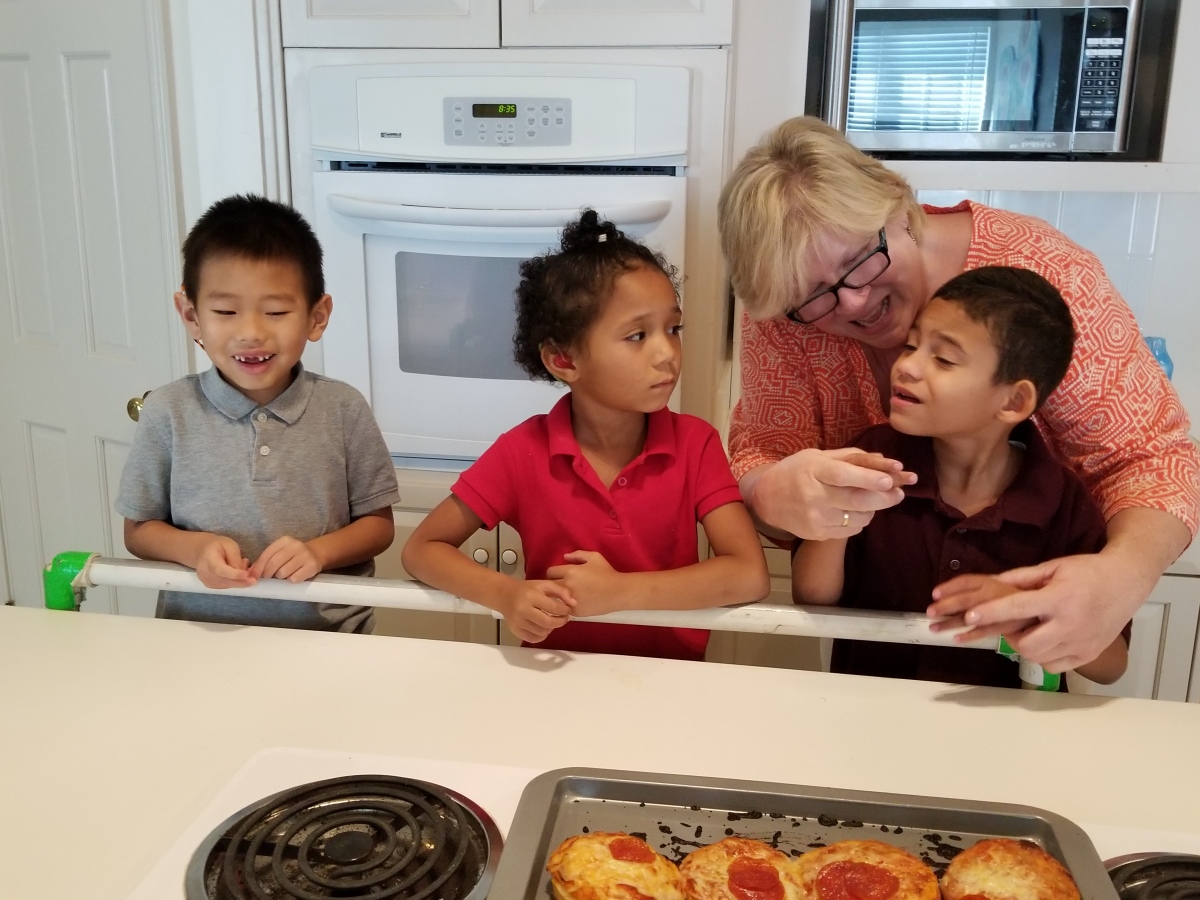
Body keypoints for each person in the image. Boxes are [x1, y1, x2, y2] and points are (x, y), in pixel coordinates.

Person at [718, 116, 1199, 675]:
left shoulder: (1043, 272)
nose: (849, 304)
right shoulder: (784, 312)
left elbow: (1152, 458)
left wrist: (1119, 576)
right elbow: (761, 455)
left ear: (901, 209)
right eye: (814, 296)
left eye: (859, 262)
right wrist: (767, 492)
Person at [402, 209, 769, 659]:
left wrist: (619, 592)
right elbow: (422, 549)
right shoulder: (521, 453)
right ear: (563, 361)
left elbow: (749, 574)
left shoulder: (697, 443)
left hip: (674, 684)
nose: (667, 353)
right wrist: (505, 594)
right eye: (637, 335)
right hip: (557, 678)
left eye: (673, 328)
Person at [791, 267, 1128, 688]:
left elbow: (1111, 665)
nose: (908, 366)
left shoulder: (1062, 502)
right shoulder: (870, 458)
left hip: (1007, 737)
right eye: (912, 345)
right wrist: (841, 513)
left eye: (944, 359)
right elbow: (812, 598)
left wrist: (1033, 613)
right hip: (870, 726)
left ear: (1013, 400)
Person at [116, 195, 400, 632]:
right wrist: (195, 549)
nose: (251, 332)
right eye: (226, 311)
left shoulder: (344, 409)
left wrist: (320, 552)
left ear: (316, 316)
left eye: (276, 312)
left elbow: (378, 527)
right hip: (195, 636)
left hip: (331, 639)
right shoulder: (168, 412)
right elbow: (138, 530)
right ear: (191, 315)